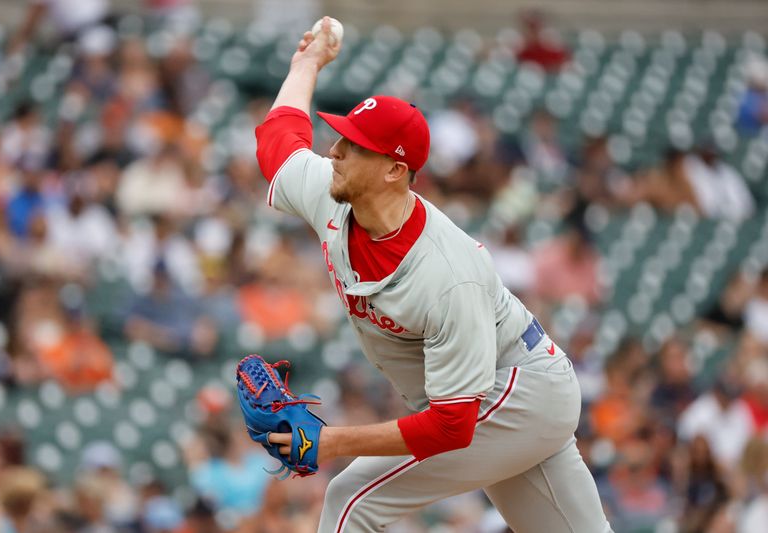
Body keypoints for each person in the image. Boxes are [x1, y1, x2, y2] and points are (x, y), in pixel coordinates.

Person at [255, 17, 611, 533]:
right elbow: (278, 143)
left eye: (352, 145)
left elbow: (451, 427)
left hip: (514, 390)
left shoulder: (447, 275)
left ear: (394, 170)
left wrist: (332, 442)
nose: (333, 151)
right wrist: (306, 64)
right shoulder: (334, 192)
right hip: (499, 397)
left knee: (350, 500)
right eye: (339, 138)